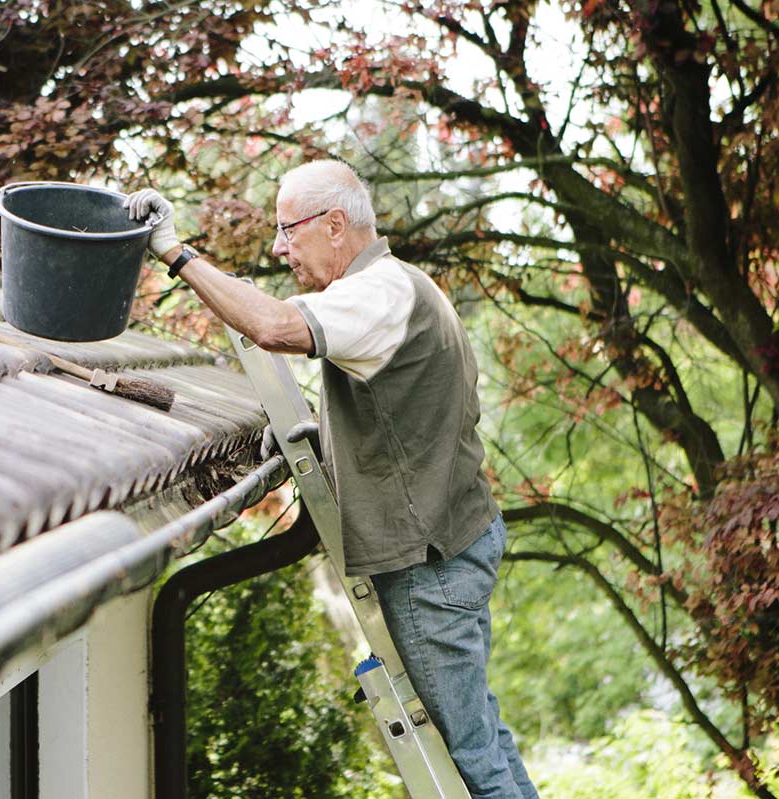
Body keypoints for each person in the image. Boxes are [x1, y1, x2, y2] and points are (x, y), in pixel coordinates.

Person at [126, 160, 538, 799]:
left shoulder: (378, 294)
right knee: (481, 738)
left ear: (335, 225)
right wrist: (323, 434)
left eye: (288, 230)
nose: (278, 247)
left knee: (469, 767)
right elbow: (405, 412)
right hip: (456, 543)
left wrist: (174, 253)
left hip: (426, 565)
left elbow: (269, 327)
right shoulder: (402, 287)